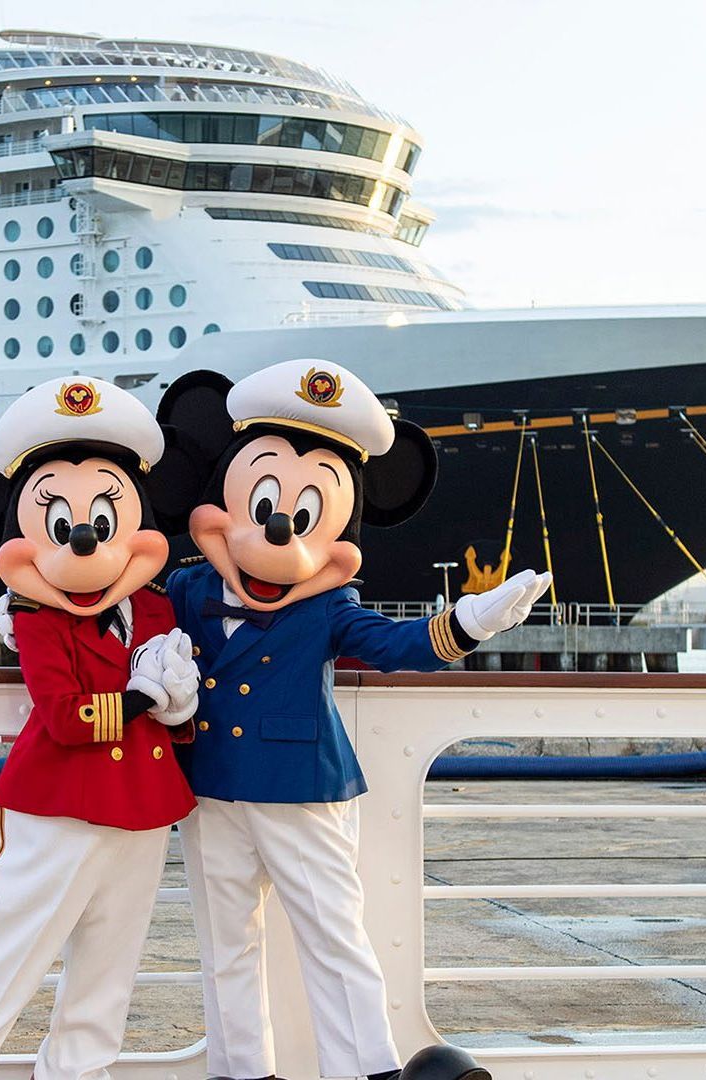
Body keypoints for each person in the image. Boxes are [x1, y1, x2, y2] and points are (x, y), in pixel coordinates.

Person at [156, 360, 550, 1080]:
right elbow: (130, 625)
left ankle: (366, 1070)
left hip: (302, 789)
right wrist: (25, 611)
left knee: (332, 938)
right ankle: (241, 1070)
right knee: (224, 944)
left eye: (302, 514)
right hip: (209, 788)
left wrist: (467, 622)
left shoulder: (326, 606)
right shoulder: (187, 588)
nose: (277, 527)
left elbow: (397, 646)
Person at [0, 377, 202, 1080]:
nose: (87, 537)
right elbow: (64, 716)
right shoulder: (36, 615)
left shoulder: (154, 611)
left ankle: (76, 1073)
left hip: (144, 805)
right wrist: (143, 698)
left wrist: (180, 708)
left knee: (109, 971)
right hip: (54, 804)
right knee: (5, 957)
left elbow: (173, 696)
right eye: (61, 521)